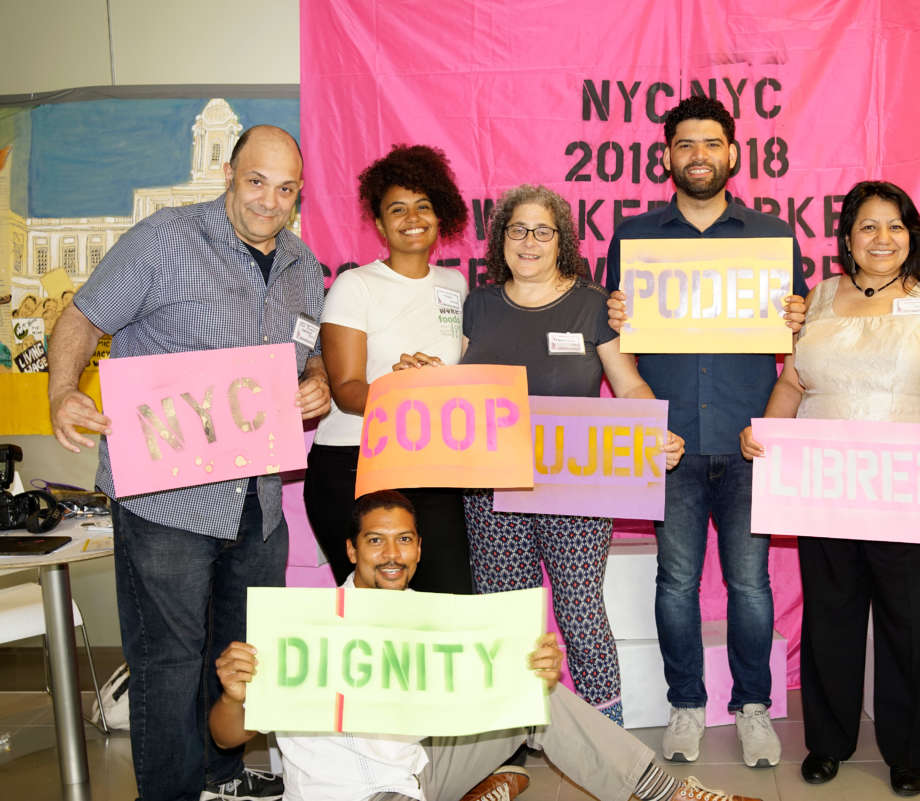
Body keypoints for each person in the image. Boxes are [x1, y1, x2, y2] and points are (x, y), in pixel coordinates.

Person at [48, 125, 331, 801]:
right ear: (229, 175)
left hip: (257, 502)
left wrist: (316, 375)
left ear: (299, 195)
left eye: (285, 188)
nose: (269, 200)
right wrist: (62, 391)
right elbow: (82, 317)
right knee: (168, 664)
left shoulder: (303, 267)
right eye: (257, 181)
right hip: (164, 500)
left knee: (237, 654)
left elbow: (305, 350)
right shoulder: (166, 239)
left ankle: (221, 774)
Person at [209, 490, 758, 801]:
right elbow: (227, 734)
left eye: (404, 540)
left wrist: (533, 673)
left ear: (420, 550)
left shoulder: (436, 620)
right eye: (376, 541)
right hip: (340, 795)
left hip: (420, 774)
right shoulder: (302, 627)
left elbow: (490, 690)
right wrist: (235, 696)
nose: (392, 554)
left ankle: (668, 795)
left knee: (536, 698)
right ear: (351, 550)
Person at [741, 180, 920, 795]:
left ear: (912, 235)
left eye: (895, 226)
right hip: (827, 481)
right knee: (832, 613)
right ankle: (828, 741)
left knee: (912, 617)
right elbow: (794, 384)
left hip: (914, 479)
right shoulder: (818, 297)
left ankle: (907, 751)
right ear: (846, 237)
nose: (882, 238)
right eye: (868, 226)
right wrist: (765, 434)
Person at [603, 95, 805, 767]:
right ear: (667, 156)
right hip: (671, 444)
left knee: (751, 584)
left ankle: (752, 706)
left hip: (749, 442)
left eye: (711, 143)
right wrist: (617, 311)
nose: (698, 155)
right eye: (685, 144)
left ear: (732, 153)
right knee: (676, 581)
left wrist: (796, 315)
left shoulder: (773, 237)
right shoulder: (633, 238)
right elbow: (615, 339)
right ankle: (686, 704)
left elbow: (798, 344)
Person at [457, 184, 682, 727]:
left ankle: (607, 734)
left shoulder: (590, 304)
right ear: (500, 239)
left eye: (542, 230)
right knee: (506, 618)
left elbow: (627, 385)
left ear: (562, 241)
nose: (529, 242)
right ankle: (511, 735)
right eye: (517, 230)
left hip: (574, 491)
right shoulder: (478, 305)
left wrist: (653, 430)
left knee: (580, 614)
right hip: (491, 491)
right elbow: (456, 388)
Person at [305, 144, 473, 592]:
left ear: (442, 216)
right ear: (379, 224)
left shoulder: (455, 285)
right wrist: (403, 388)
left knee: (447, 599)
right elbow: (345, 389)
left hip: (430, 463)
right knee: (368, 613)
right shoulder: (354, 285)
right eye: (397, 209)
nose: (411, 218)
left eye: (423, 206)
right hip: (352, 464)